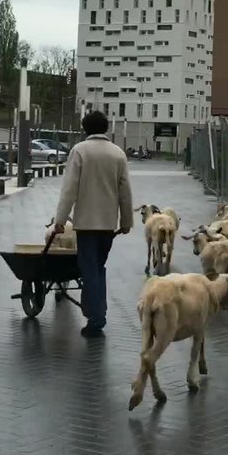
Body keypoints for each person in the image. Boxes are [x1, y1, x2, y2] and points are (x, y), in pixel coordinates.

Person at [52, 110, 133, 338]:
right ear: (106, 128)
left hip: (86, 224)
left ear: (85, 129)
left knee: (89, 271)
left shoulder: (80, 151)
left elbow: (69, 189)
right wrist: (126, 221)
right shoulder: (118, 153)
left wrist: (60, 220)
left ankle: (96, 317)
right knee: (98, 268)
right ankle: (98, 312)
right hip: (108, 225)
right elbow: (125, 191)